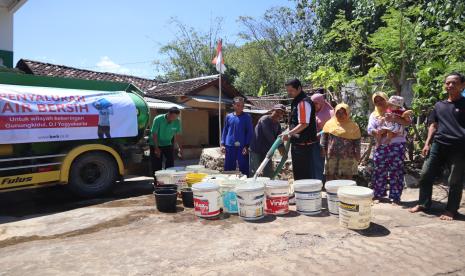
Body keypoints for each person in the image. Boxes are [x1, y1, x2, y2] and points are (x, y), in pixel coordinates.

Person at [410, 72, 465, 220]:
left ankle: (451, 210)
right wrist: (427, 143)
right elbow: (433, 125)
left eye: (454, 82)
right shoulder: (439, 105)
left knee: (454, 180)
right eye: (448, 83)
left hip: (459, 148)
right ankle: (424, 203)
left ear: (462, 85)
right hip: (438, 145)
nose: (450, 85)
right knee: (425, 174)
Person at [367, 92, 411, 205]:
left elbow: (408, 122)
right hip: (381, 145)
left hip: (397, 144)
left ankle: (395, 197)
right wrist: (376, 132)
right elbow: (370, 128)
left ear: (386, 99)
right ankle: (378, 194)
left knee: (396, 170)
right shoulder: (374, 114)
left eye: (381, 99)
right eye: (376, 101)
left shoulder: (398, 110)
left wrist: (394, 119)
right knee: (379, 169)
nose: (379, 102)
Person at [282, 79, 318, 180]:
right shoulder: (297, 101)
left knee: (303, 175)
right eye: (287, 91)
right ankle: (302, 193)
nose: (289, 93)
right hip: (299, 144)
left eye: (291, 91)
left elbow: (304, 124)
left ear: (299, 88)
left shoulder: (303, 102)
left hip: (304, 146)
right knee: (300, 174)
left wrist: (289, 133)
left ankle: (305, 194)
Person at [321, 103, 361, 180]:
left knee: (348, 175)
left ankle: (347, 191)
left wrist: (358, 153)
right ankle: (331, 191)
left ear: (348, 113)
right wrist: (322, 148)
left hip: (348, 155)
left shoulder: (354, 126)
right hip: (331, 155)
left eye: (343, 112)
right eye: (338, 112)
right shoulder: (329, 124)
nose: (340, 114)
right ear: (335, 112)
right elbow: (324, 137)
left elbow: (357, 141)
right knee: (330, 175)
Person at [249, 104, 286, 178]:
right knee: (255, 172)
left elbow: (279, 138)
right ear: (272, 111)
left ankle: (267, 187)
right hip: (256, 149)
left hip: (267, 151)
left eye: (281, 113)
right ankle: (253, 187)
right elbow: (270, 137)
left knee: (268, 172)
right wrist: (280, 149)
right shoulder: (264, 119)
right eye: (277, 111)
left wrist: (284, 152)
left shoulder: (277, 125)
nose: (279, 114)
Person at [221, 97, 254, 176]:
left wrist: (247, 146)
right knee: (229, 167)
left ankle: (245, 184)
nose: (240, 107)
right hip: (229, 146)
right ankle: (228, 183)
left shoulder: (247, 117)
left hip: (242, 146)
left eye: (242, 105)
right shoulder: (228, 116)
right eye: (238, 105)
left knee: (244, 167)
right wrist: (222, 144)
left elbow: (250, 132)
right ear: (233, 105)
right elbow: (225, 130)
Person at [149, 107, 183, 176]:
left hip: (168, 143)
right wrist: (156, 148)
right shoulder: (158, 119)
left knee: (170, 163)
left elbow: (178, 135)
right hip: (155, 144)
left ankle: (168, 179)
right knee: (157, 164)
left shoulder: (177, 121)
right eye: (173, 117)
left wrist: (180, 148)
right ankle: (157, 182)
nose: (174, 119)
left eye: (176, 117)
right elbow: (154, 134)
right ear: (168, 114)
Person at [311, 93, 334, 180]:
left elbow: (333, 127)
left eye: (316, 103)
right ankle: (319, 182)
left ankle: (325, 182)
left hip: (328, 142)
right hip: (314, 142)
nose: (314, 106)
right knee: (317, 163)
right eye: (312, 103)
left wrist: (320, 134)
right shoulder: (312, 113)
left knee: (328, 164)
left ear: (321, 102)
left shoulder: (331, 113)